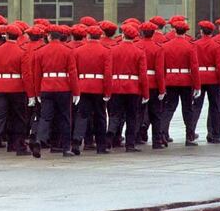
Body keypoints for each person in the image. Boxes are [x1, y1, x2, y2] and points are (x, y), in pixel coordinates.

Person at [0, 24, 35, 157]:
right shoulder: (22, 51)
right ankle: (19, 146)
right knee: (19, 117)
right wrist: (30, 94)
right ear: (18, 36)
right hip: (17, 86)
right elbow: (27, 75)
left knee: (0, 116)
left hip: (1, 85)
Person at [31, 24, 80, 158]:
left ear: (49, 36)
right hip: (63, 87)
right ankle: (65, 148)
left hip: (46, 86)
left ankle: (39, 140)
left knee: (45, 117)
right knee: (65, 118)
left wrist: (37, 92)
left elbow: (36, 74)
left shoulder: (40, 51)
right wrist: (76, 92)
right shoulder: (68, 51)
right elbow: (72, 73)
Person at [107, 25, 149, 152]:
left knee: (115, 114)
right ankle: (130, 144)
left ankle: (110, 136)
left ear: (123, 35)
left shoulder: (112, 50)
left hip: (116, 86)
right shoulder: (139, 52)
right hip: (133, 88)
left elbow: (109, 71)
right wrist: (145, 93)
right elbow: (143, 74)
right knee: (132, 116)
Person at [71, 25, 112, 155]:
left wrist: (75, 88)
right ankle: (101, 146)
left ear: (88, 36)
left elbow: (74, 72)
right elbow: (107, 74)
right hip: (98, 86)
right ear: (100, 36)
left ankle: (77, 142)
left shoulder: (78, 51)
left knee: (82, 116)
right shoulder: (105, 51)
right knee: (100, 116)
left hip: (83, 85)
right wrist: (107, 91)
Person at [162, 21, 200, 146]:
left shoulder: (166, 46)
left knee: (169, 108)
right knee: (187, 109)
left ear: (174, 30)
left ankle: (162, 134)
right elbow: (194, 67)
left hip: (170, 79)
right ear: (186, 31)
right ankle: (189, 137)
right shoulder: (190, 46)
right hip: (185, 80)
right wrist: (197, 85)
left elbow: (162, 66)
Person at [192, 20, 220, 143]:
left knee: (196, 107)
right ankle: (214, 135)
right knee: (215, 107)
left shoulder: (195, 44)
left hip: (200, 77)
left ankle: (190, 133)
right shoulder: (216, 44)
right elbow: (219, 65)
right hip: (214, 78)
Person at [135, 22, 166, 149]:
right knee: (156, 114)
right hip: (153, 83)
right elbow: (159, 71)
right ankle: (157, 141)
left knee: (138, 112)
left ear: (141, 33)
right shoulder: (158, 48)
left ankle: (135, 137)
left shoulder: (136, 45)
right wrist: (162, 89)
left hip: (139, 83)